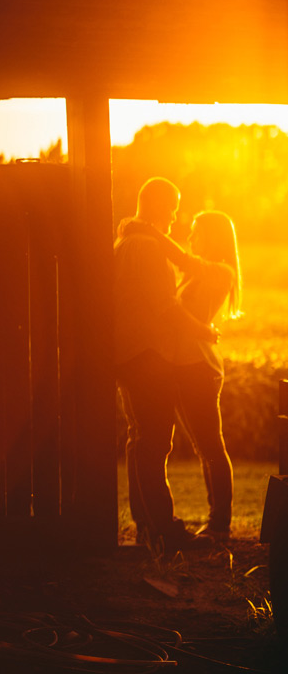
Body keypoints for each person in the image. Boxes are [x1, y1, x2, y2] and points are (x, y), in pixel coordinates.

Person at [114, 177, 219, 552]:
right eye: (173, 207)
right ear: (158, 205)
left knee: (138, 439)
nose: (175, 216)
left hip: (125, 355)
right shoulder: (147, 248)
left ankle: (145, 524)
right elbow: (166, 308)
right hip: (147, 355)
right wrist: (204, 331)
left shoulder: (124, 242)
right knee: (157, 442)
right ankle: (164, 528)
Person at [123, 211, 241, 543]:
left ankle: (220, 524)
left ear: (214, 237)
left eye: (196, 233)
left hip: (200, 369)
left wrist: (150, 230)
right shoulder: (196, 274)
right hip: (182, 367)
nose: (190, 238)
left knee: (211, 449)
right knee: (199, 448)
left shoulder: (221, 272)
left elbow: (183, 261)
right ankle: (191, 522)